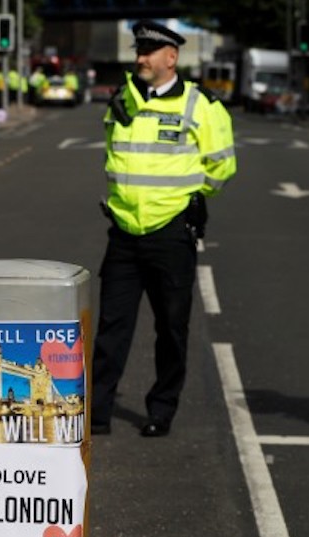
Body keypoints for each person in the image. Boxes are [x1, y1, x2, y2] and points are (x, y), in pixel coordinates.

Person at [90, 20, 236, 437]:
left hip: (170, 233)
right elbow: (112, 158)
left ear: (171, 58)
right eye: (139, 50)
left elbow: (223, 165)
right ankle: (97, 413)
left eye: (150, 51)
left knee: (171, 328)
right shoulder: (121, 102)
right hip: (123, 230)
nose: (141, 58)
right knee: (112, 327)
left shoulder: (200, 105)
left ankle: (161, 409)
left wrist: (189, 198)